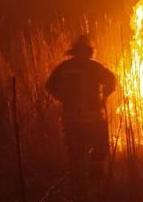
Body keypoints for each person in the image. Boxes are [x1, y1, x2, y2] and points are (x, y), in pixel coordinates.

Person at [45, 34, 117, 192]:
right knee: (91, 150)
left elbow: (49, 86)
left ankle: (82, 184)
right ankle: (88, 183)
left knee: (80, 152)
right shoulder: (94, 68)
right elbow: (112, 80)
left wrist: (62, 98)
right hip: (88, 120)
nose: (83, 54)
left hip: (76, 119)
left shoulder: (66, 67)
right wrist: (104, 95)